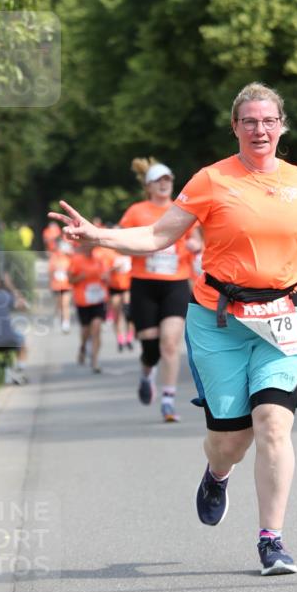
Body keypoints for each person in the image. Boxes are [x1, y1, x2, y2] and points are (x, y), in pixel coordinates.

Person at [49, 82, 297, 576]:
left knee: (273, 424)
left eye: (269, 121)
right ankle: (217, 473)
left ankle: (271, 540)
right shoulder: (211, 179)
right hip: (219, 321)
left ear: (282, 126)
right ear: (235, 127)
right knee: (230, 442)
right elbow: (159, 234)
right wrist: (99, 236)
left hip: (283, 317)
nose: (260, 130)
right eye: (249, 121)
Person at [118, 158, 198, 422]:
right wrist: (133, 250)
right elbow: (121, 241)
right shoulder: (136, 211)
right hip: (144, 283)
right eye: (158, 180)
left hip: (176, 282)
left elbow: (197, 238)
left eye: (168, 179)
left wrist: (196, 246)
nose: (164, 184)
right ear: (148, 186)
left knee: (170, 343)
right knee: (151, 348)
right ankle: (146, 374)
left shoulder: (182, 209)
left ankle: (168, 401)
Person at [68, 241, 109, 374]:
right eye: (86, 245)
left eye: (91, 245)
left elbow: (107, 276)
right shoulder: (76, 260)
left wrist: (106, 278)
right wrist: (80, 277)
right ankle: (83, 347)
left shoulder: (100, 258)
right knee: (86, 330)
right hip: (83, 300)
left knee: (96, 328)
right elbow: (70, 280)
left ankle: (95, 360)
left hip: (99, 299)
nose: (89, 248)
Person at [93, 238, 134, 351]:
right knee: (117, 314)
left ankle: (129, 337)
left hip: (128, 287)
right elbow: (104, 274)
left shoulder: (131, 254)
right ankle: (120, 339)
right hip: (115, 287)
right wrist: (113, 269)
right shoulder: (110, 255)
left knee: (128, 313)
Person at [49, 239, 73, 332]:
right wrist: (51, 283)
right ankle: (57, 316)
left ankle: (66, 323)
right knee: (59, 304)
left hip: (67, 285)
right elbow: (51, 271)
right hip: (56, 285)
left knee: (65, 303)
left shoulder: (69, 258)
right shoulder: (54, 257)